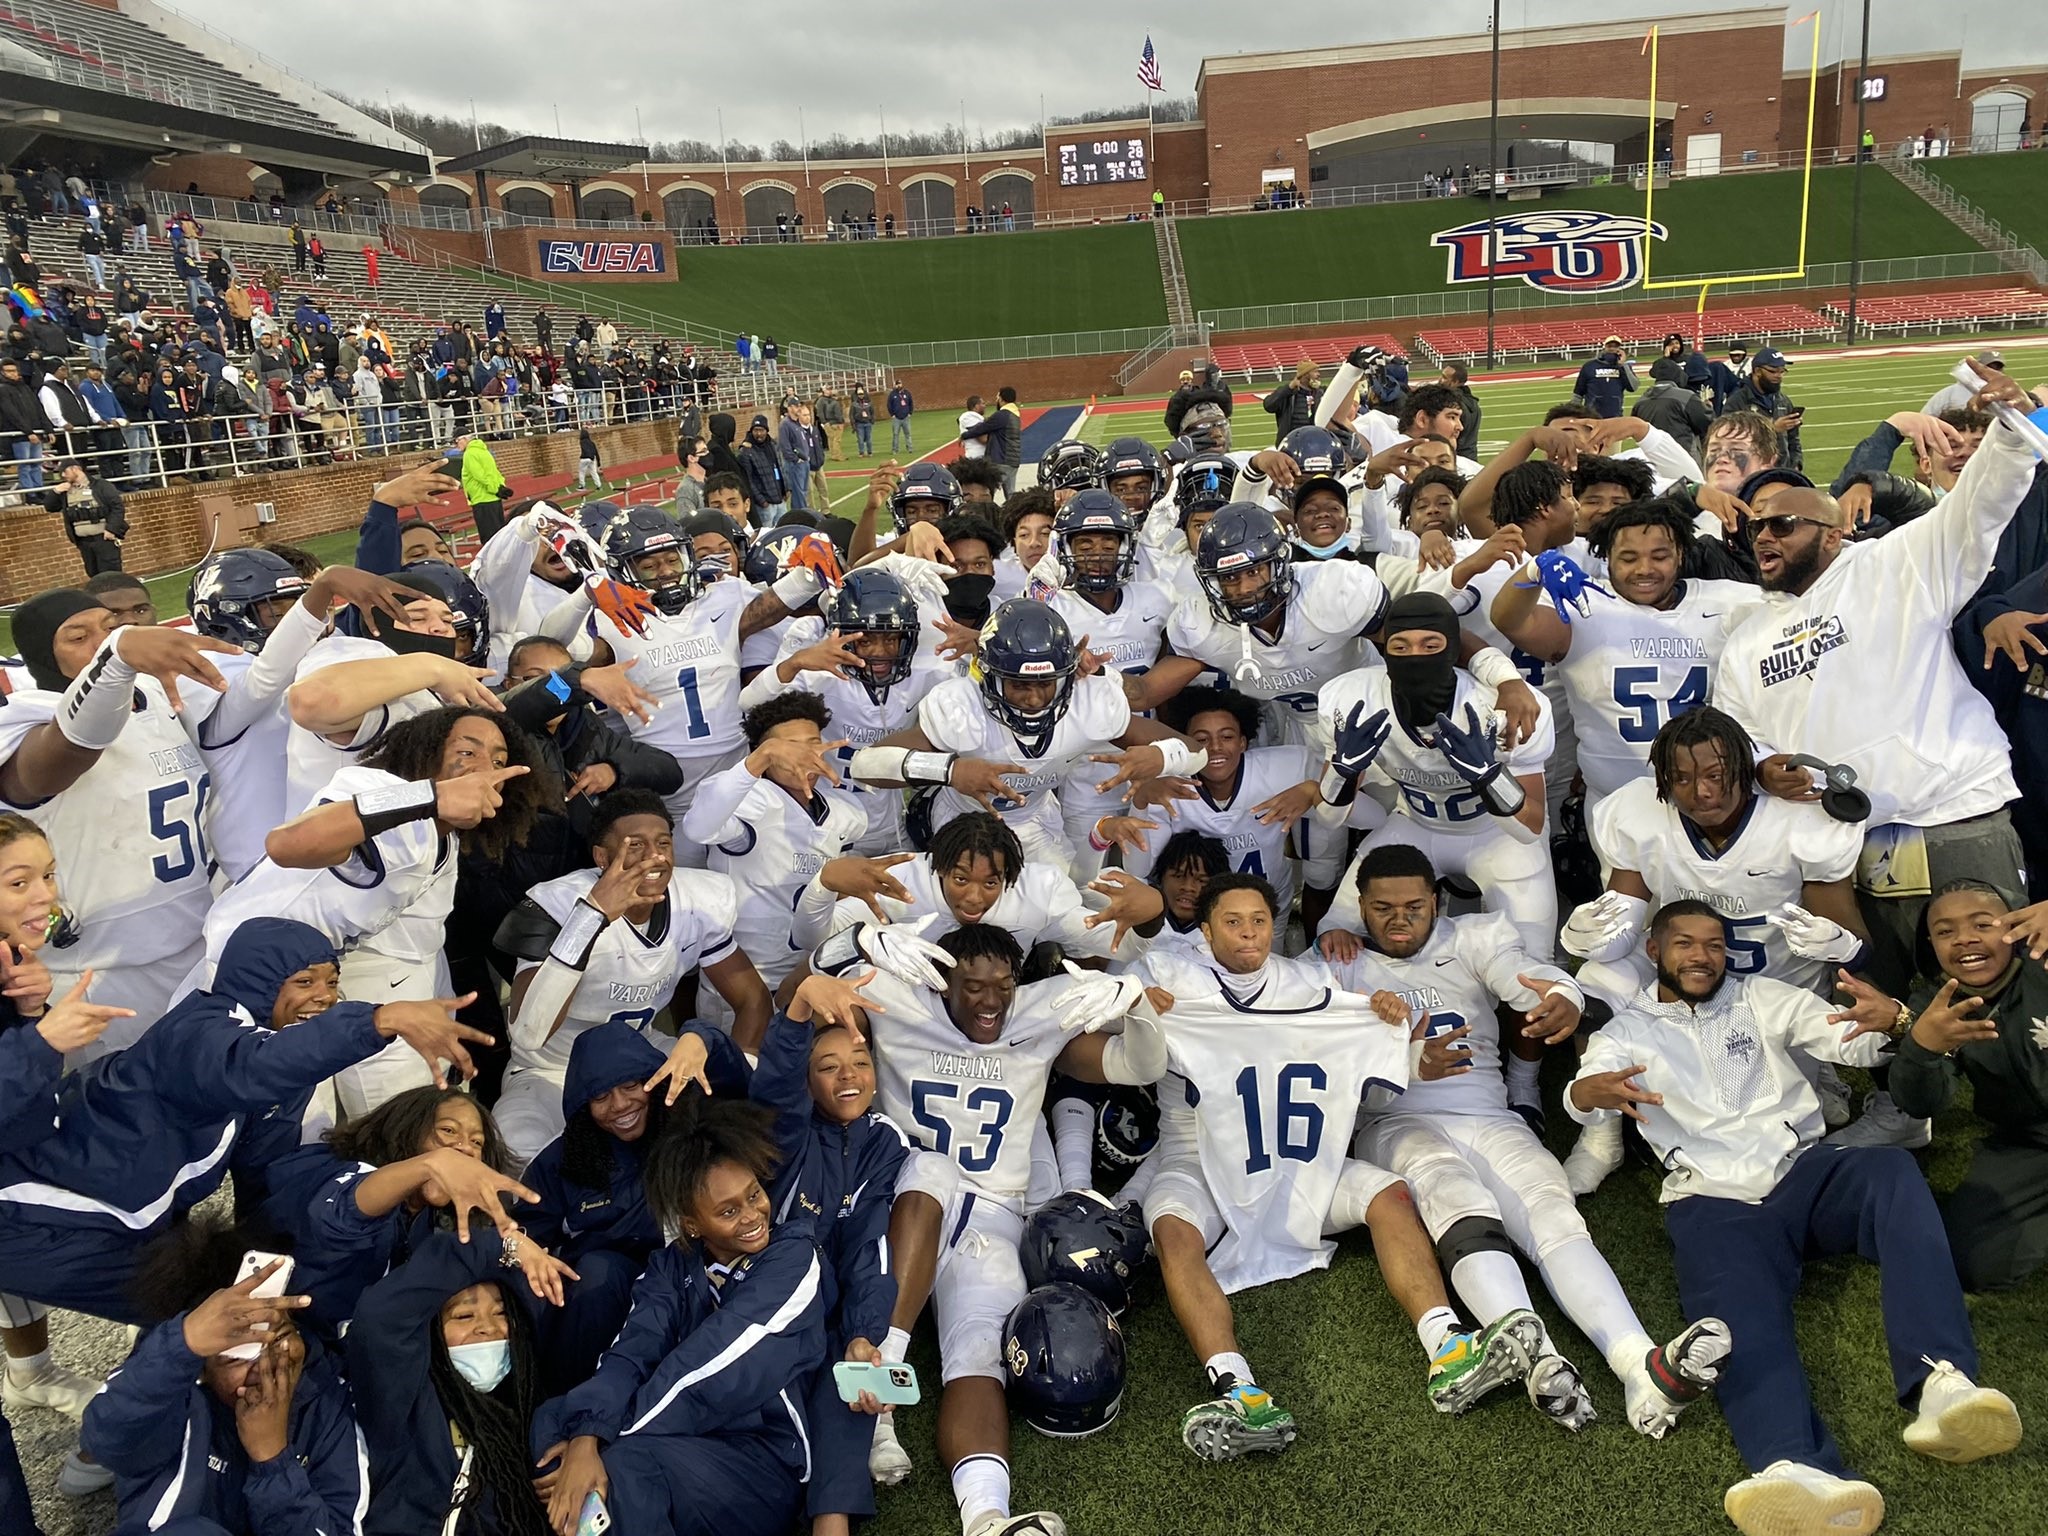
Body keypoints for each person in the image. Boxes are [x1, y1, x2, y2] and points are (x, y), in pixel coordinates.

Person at [1568, 900, 2022, 1536]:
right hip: (1711, 1198)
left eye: (1714, 944)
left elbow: (1852, 1040)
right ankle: (1792, 1466)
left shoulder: (1764, 997)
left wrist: (1895, 1023)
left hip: (1802, 1173)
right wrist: (1587, 1092)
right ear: (1654, 951)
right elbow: (1586, 1085)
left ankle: (1941, 1385)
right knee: (1735, 1313)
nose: (1701, 956)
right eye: (1685, 944)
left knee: (1891, 1172)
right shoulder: (1624, 1031)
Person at [1713, 362, 2041, 1144]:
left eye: (1783, 522)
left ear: (1831, 529)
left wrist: (2011, 428)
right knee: (1877, 984)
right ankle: (1905, 1105)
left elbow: (1982, 506)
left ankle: (2030, 1103)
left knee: (2011, 978)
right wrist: (1764, 768)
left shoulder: (1898, 564)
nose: (1764, 534)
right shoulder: (1747, 638)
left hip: (1954, 813)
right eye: (1755, 525)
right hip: (1851, 842)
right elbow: (1740, 738)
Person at [1340, 844, 1732, 1435]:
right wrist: (1406, 1060)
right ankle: (1538, 1356)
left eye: (1414, 906)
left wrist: (1561, 997)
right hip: (1396, 1120)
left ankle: (1638, 1365)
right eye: (1383, 908)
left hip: (1488, 1113)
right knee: (1453, 1191)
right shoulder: (1332, 966)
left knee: (1551, 1207)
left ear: (1437, 903)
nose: (1400, 919)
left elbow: (1526, 974)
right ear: (1361, 909)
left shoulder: (1472, 937)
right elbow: (1325, 1075)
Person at [1134, 874, 1529, 1457]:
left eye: (1259, 921)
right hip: (1201, 1161)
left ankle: (1448, 1346)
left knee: (1390, 1195)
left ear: (1276, 924)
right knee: (1171, 1230)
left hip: (1297, 1158)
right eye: (1233, 922)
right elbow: (1109, 1030)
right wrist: (1135, 1013)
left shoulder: (1310, 982)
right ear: (1206, 928)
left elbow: (1363, 1069)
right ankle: (1238, 1389)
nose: (1248, 933)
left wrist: (1390, 1028)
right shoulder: (1169, 977)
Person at [803, 920, 1164, 1534]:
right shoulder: (898, 999)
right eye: (972, 986)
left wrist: (1138, 1008)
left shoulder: (1036, 1019)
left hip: (993, 1218)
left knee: (979, 1356)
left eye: (1004, 984)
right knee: (932, 1167)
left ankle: (986, 1516)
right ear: (942, 983)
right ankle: (881, 1394)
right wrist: (854, 940)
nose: (991, 1000)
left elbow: (1134, 1065)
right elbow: (805, 991)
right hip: (905, 1204)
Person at [530, 1097, 827, 1536]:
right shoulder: (671, 1266)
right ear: (691, 1224)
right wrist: (586, 1435)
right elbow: (631, 1353)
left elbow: (709, 1370)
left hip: (761, 1459)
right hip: (679, 1438)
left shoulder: (794, 1257)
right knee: (551, 1420)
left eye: (754, 1195)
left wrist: (601, 1441)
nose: (752, 1216)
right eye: (728, 1211)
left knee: (624, 1466)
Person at [492, 789, 770, 1162]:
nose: (654, 856)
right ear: (601, 857)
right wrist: (591, 917)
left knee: (738, 1111)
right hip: (552, 1068)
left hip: (641, 1056)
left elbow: (752, 999)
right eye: (635, 845)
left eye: (663, 843)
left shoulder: (698, 900)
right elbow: (530, 1032)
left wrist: (743, 1069)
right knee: (517, 1143)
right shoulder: (558, 903)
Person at [79, 1235, 367, 1534]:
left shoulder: (329, 1408)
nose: (263, 1365)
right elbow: (106, 1439)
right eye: (236, 1358)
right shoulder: (175, 1404)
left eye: (279, 1338)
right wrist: (183, 1342)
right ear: (202, 1371)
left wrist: (272, 1458)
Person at [1888, 882, 2048, 1292]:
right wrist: (1921, 1049)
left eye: (1982, 923)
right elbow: (1922, 1103)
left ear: (2015, 924)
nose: (1964, 939)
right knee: (1969, 1263)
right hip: (2029, 1145)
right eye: (1945, 931)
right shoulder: (1937, 1005)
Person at [44, 458, 126, 577]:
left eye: (65, 471)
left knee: (111, 576)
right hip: (84, 542)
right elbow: (50, 507)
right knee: (93, 574)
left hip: (104, 539)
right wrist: (55, 491)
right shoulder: (65, 491)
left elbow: (117, 507)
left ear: (76, 469)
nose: (62, 475)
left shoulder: (100, 485)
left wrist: (111, 529)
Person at [1572, 336, 1638, 420]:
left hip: (1615, 416)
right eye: (1610, 346)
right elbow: (1578, 392)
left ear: (1620, 349)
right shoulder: (1590, 366)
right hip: (1592, 416)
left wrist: (1623, 365)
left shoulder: (1623, 367)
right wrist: (1574, 413)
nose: (1612, 349)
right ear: (1604, 347)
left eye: (1615, 346)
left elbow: (1633, 387)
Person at [887, 383, 914, 453]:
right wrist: (892, 414)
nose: (899, 385)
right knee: (895, 434)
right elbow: (889, 404)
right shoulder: (892, 394)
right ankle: (895, 449)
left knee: (907, 434)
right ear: (895, 385)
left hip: (906, 417)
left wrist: (910, 413)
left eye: (900, 384)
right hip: (896, 418)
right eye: (897, 384)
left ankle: (910, 448)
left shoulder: (907, 393)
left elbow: (911, 403)